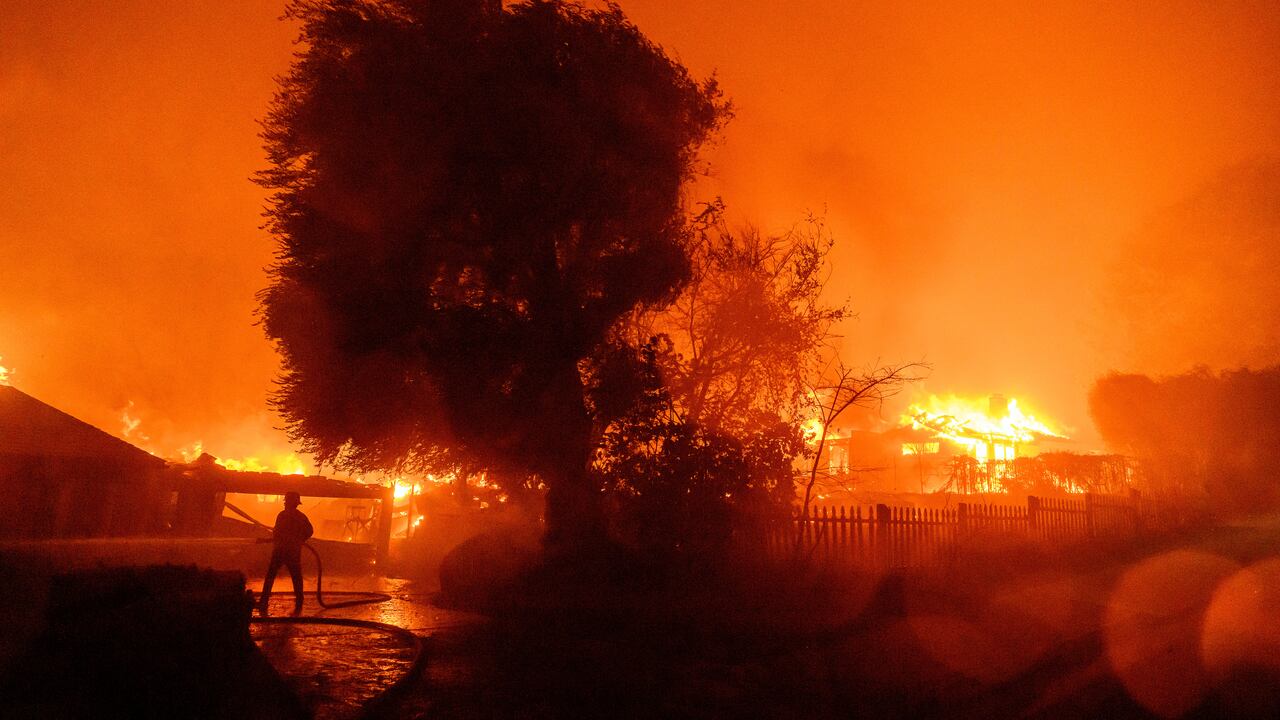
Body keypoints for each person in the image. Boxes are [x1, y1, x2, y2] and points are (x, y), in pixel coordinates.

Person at [257, 491, 314, 616]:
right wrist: (300, 539)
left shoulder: (282, 515)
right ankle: (299, 603)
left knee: (271, 576)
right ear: (297, 504)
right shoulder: (301, 516)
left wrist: (276, 537)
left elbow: (276, 533)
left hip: (280, 551)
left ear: (287, 502)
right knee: (296, 577)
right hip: (293, 551)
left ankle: (263, 601)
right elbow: (310, 531)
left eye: (286, 502)